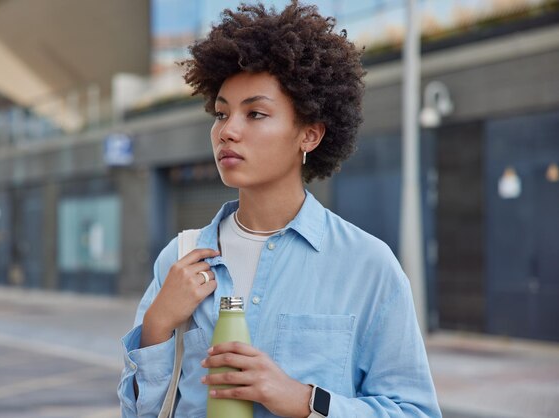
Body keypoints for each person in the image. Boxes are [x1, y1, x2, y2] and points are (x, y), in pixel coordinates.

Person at [118, 1, 442, 417]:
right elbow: (141, 412)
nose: (227, 131)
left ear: (309, 134)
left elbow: (415, 412)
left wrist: (305, 400)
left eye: (255, 113)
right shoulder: (179, 261)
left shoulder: (367, 265)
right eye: (221, 113)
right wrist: (157, 327)